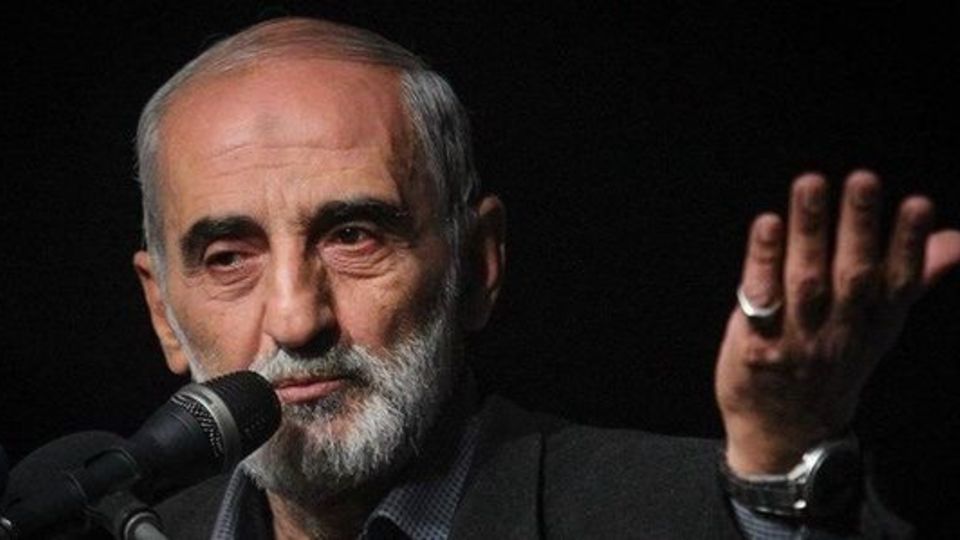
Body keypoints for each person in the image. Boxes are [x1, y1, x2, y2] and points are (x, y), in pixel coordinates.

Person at [129, 16, 960, 539]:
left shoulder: (681, 514)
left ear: (478, 265)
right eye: (228, 257)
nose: (295, 318)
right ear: (163, 311)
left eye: (353, 237)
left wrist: (781, 473)